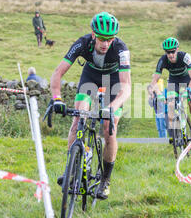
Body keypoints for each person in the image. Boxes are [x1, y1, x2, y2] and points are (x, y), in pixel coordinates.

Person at [49, 12, 131, 200]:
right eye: (102, 39)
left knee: (110, 128)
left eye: (109, 39)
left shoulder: (121, 49)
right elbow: (58, 72)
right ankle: (71, 170)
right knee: (78, 117)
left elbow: (126, 86)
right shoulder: (82, 43)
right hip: (90, 77)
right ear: (94, 35)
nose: (105, 43)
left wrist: (112, 107)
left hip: (113, 82)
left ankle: (105, 180)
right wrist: (57, 98)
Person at [148, 37, 191, 151]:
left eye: (173, 51)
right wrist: (159, 94)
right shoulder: (162, 60)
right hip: (174, 82)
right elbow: (154, 81)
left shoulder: (185, 57)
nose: (171, 54)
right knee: (171, 107)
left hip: (188, 82)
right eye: (168, 52)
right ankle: (176, 134)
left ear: (177, 49)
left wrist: (189, 89)